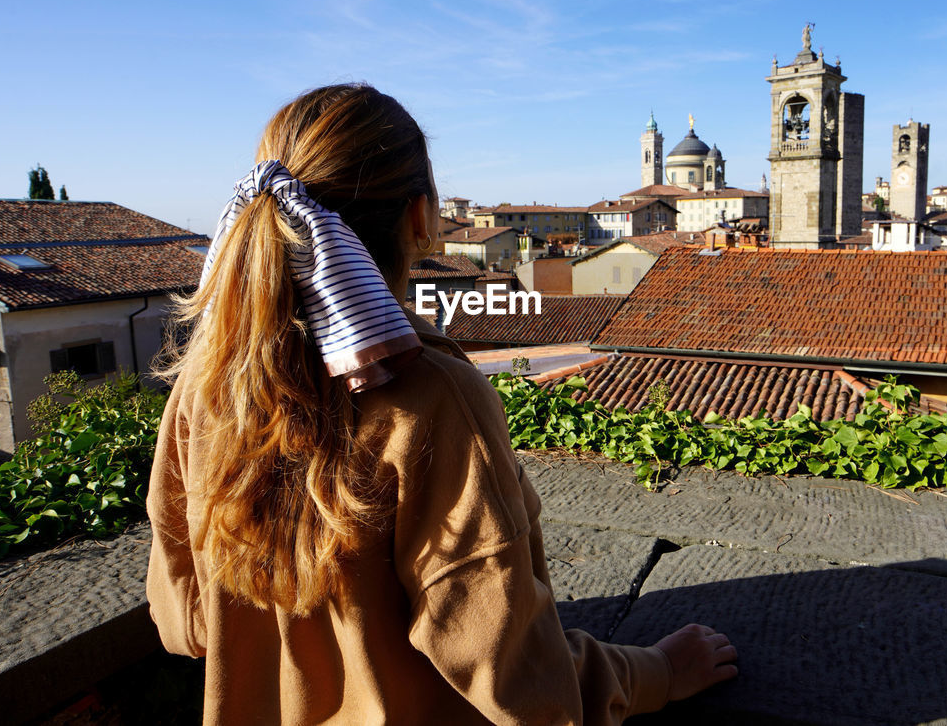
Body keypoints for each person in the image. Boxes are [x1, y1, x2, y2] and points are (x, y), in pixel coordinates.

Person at [146, 83, 737, 724]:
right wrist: (656, 673)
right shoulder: (433, 400)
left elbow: (185, 623)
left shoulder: (202, 389)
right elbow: (522, 685)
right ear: (422, 219)